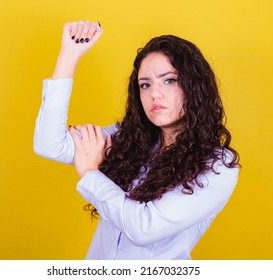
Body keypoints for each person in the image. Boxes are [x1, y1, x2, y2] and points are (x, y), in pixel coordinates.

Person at [33, 20, 240, 260]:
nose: (155, 94)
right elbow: (49, 144)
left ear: (194, 87)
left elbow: (144, 228)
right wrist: (70, 55)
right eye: (145, 85)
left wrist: (91, 172)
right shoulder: (128, 139)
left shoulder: (218, 166)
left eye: (169, 80)